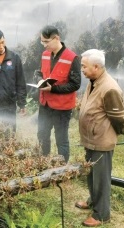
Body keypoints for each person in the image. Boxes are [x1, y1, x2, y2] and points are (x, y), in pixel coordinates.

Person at [76, 49, 124, 227]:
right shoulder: (94, 81)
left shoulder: (109, 88)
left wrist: (109, 134)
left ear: (96, 67)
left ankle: (101, 214)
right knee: (91, 174)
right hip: (91, 138)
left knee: (101, 178)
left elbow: (119, 118)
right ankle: (93, 201)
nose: (81, 69)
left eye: (84, 66)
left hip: (101, 141)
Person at [36, 25, 81, 163]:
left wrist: (53, 89)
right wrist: (38, 80)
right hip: (45, 104)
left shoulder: (72, 58)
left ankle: (62, 169)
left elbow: (75, 84)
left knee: (61, 139)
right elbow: (39, 72)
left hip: (62, 108)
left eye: (46, 42)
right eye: (42, 41)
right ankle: (43, 163)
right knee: (42, 135)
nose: (44, 45)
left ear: (57, 38)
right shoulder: (44, 55)